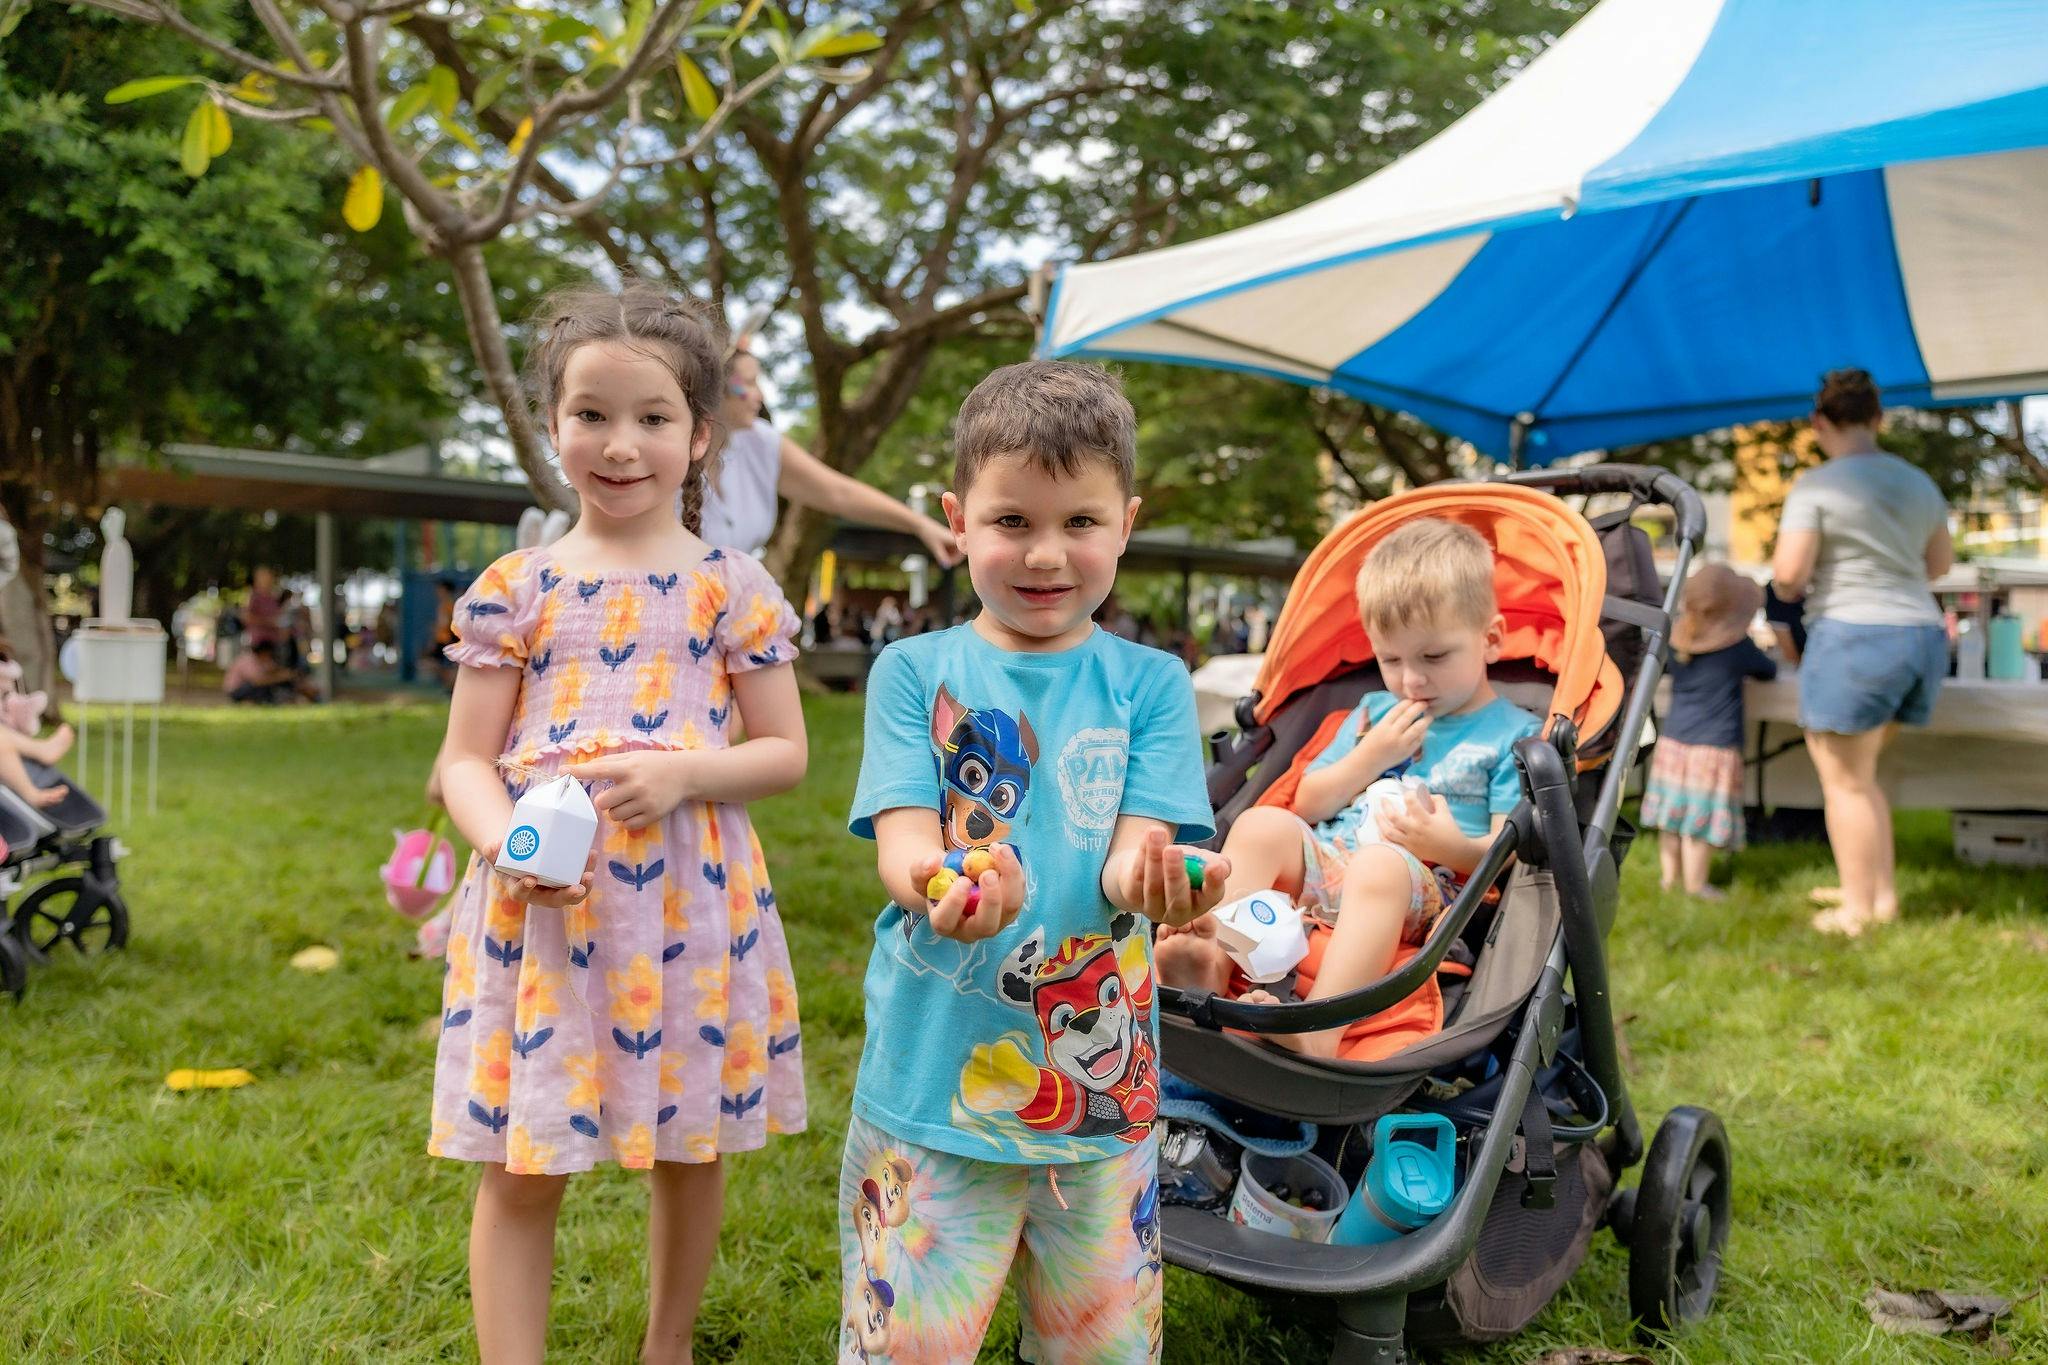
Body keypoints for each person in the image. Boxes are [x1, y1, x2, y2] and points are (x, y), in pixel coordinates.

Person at [428, 281, 809, 1365]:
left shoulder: (731, 588)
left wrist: (685, 773)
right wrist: (505, 840)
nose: (619, 443)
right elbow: (462, 759)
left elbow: (782, 753)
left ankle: (667, 1346)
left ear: (700, 440)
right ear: (553, 425)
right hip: (543, 911)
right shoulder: (518, 586)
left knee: (690, 1147)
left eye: (652, 418)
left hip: (691, 907)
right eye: (591, 413)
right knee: (522, 1159)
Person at [842, 360, 1221, 1364]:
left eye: (1080, 524)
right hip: (930, 1094)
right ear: (955, 519)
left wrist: (1165, 880)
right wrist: (944, 887)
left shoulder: (1149, 684)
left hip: (1100, 1107)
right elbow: (903, 840)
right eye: (1011, 521)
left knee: (1096, 1350)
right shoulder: (913, 671)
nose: (1046, 554)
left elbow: (1132, 854)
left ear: (1126, 522)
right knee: (907, 1349)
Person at [1154, 519, 1539, 1060]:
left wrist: (1442, 844)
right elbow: (1309, 801)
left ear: (1491, 640)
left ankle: (1319, 1028)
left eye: (1434, 658)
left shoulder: (1512, 735)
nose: (1411, 680)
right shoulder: (1370, 716)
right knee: (1261, 824)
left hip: (1422, 884)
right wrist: (1371, 756)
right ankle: (1210, 960)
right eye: (1391, 660)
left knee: (1378, 864)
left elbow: (1504, 851)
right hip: (1332, 859)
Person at [1772, 369, 1952, 937]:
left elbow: (1787, 575)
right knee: (1864, 776)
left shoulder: (1818, 485)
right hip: (1920, 636)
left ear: (1819, 422)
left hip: (1855, 634)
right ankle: (1878, 897)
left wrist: (1791, 588)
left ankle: (1856, 910)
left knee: (1844, 782)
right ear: (1879, 419)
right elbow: (1939, 566)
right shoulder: (1919, 481)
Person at [706, 345, 964, 567]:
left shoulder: (760, 441)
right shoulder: (674, 457)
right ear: (716, 386)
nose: (759, 395)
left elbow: (839, 493)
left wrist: (921, 525)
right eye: (749, 383)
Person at [1641, 565, 1777, 899]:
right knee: (1698, 825)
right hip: (1713, 748)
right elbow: (1768, 671)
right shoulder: (1738, 648)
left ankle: (1669, 878)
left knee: (1671, 819)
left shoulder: (1677, 640)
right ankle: (1696, 884)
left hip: (1673, 743)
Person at [221, 639, 296, 705]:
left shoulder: (262, 660)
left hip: (248, 687)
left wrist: (287, 674)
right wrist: (280, 678)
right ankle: (249, 701)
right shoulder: (248, 659)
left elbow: (273, 669)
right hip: (236, 690)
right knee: (262, 686)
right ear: (264, 652)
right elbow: (257, 681)